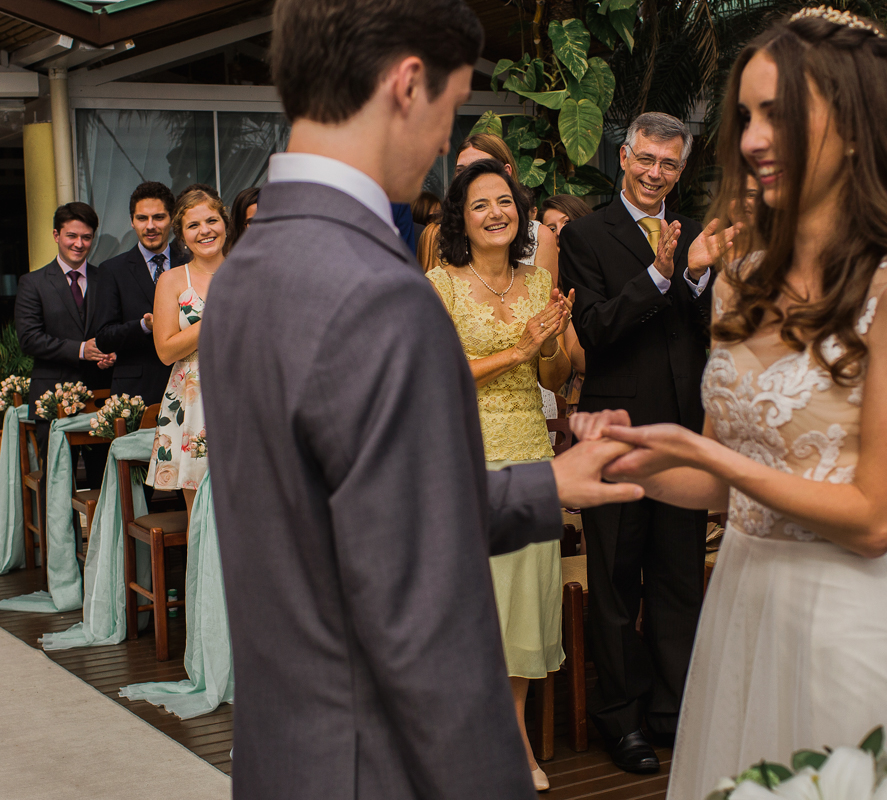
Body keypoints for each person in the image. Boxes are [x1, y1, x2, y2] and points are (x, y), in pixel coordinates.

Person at [198, 1, 642, 797]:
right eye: (450, 107)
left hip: (289, 756)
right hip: (382, 762)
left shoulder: (246, 274)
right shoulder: (378, 292)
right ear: (408, 84)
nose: (446, 142)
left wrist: (547, 485)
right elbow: (423, 609)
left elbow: (360, 516)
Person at [581, 10, 887, 796]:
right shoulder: (740, 277)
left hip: (842, 625)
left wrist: (704, 452)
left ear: (857, 125)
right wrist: (636, 467)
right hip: (740, 612)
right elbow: (724, 479)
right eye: (748, 115)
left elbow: (870, 519)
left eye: (781, 114)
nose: (755, 138)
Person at [557, 111, 736, 774]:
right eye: (646, 160)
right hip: (617, 435)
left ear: (680, 169)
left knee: (678, 577)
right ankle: (622, 719)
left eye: (669, 164)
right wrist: (660, 276)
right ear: (624, 158)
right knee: (613, 581)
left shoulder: (693, 233)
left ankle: (673, 709)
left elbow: (705, 325)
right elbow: (597, 330)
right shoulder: (583, 234)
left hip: (684, 433)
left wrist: (691, 275)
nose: (657, 173)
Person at [427, 159, 574, 792]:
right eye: (481, 204)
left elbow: (553, 378)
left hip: (529, 449)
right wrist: (516, 348)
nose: (496, 213)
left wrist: (549, 343)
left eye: (506, 202)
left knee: (523, 603)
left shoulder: (540, 283)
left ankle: (510, 735)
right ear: (462, 218)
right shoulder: (438, 284)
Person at [15, 202, 114, 486]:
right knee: (57, 484)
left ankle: (98, 532)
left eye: (86, 237)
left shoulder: (106, 278)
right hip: (52, 400)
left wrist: (110, 352)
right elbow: (29, 339)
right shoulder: (32, 283)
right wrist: (82, 350)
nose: (79, 244)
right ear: (56, 235)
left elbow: (112, 329)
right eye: (72, 236)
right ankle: (56, 533)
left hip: (101, 397)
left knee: (103, 483)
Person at [147, 188, 223, 527]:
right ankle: (204, 581)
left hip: (248, 393)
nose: (205, 230)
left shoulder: (248, 271)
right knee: (202, 516)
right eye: (194, 225)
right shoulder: (172, 280)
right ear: (182, 235)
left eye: (212, 220)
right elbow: (164, 351)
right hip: (193, 403)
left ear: (225, 224)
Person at [95, 182, 192, 403]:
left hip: (190, 385)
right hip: (136, 392)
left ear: (172, 218)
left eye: (158, 217)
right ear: (132, 221)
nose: (150, 226)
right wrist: (143, 326)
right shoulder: (112, 270)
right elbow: (103, 338)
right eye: (142, 218)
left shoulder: (191, 262)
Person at [418, 134, 559, 282]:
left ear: (506, 172)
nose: (470, 177)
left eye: (481, 167)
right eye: (461, 171)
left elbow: (547, 301)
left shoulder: (540, 236)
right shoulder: (436, 235)